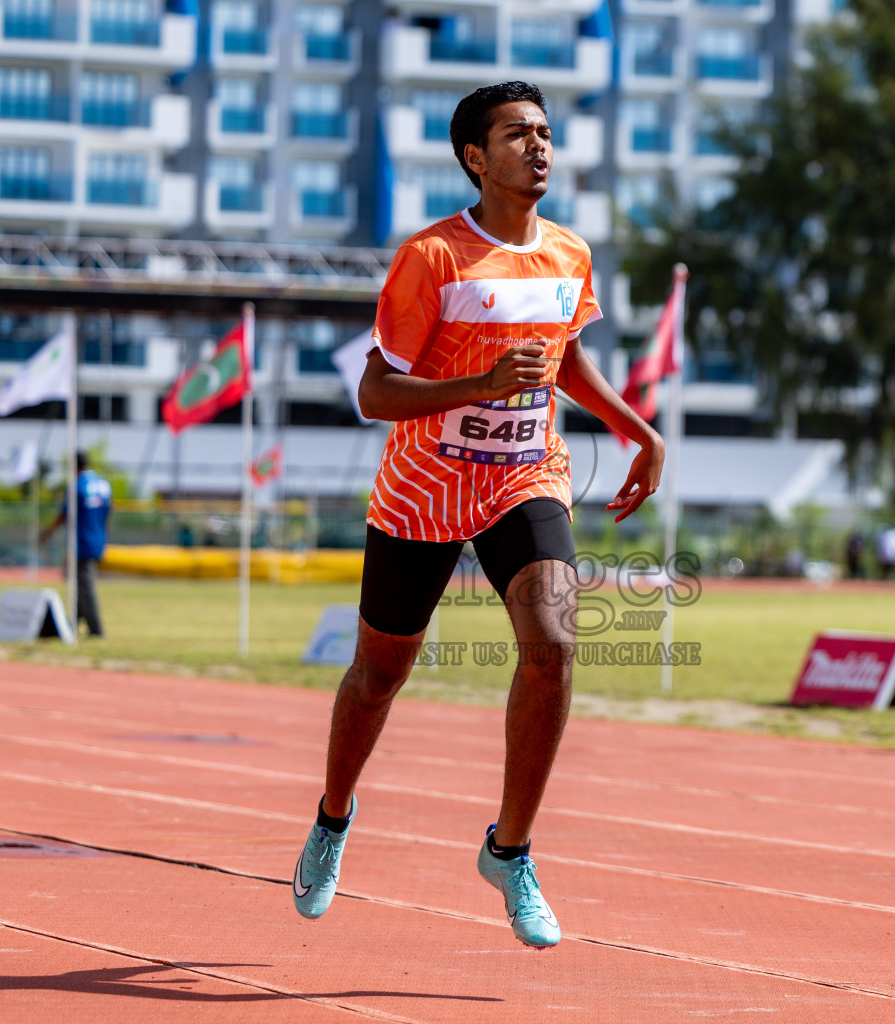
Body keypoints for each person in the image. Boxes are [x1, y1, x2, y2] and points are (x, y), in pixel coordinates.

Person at [291, 82, 664, 950]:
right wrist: (482, 387)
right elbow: (375, 390)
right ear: (474, 157)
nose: (538, 148)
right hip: (424, 486)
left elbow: (564, 362)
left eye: (543, 133)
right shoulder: (434, 258)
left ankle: (511, 849)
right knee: (378, 677)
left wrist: (638, 430)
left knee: (555, 643)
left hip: (524, 478)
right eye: (516, 135)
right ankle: (333, 816)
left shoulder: (569, 255)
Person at [40, 451, 112, 637]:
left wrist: (48, 532)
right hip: (98, 539)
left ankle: (96, 629)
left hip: (81, 542)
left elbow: (65, 515)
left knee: (85, 586)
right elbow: (108, 513)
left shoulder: (77, 486)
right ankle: (71, 624)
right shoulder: (104, 485)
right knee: (80, 584)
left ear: (75, 466)